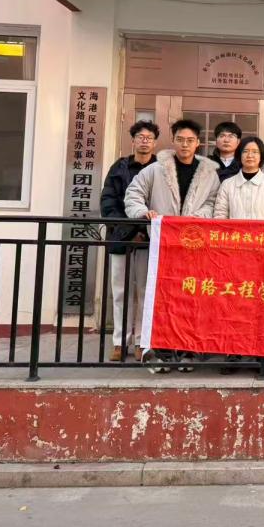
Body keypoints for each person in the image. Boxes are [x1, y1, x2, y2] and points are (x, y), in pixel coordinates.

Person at [124, 118, 221, 374]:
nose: (185, 145)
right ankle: (162, 352)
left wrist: (198, 217)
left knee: (190, 298)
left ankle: (187, 351)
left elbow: (214, 202)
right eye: (180, 139)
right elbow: (133, 193)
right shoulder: (156, 169)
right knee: (162, 300)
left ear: (198, 143)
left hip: (193, 246)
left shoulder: (209, 174)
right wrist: (143, 212)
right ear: (173, 141)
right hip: (163, 246)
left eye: (190, 140)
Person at [214, 136, 264, 374]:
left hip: (263, 255)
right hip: (234, 255)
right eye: (246, 151)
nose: (250, 155)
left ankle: (261, 353)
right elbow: (219, 217)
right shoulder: (228, 185)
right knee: (233, 304)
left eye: (255, 152)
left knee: (261, 304)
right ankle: (232, 352)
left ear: (261, 156)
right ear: (240, 155)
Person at [100, 120, 158, 363]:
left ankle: (142, 341)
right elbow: (108, 202)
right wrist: (128, 229)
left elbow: (160, 203)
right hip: (120, 238)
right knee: (120, 291)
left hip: (149, 239)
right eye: (140, 137)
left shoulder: (160, 169)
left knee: (146, 291)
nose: (144, 141)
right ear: (133, 140)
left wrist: (143, 230)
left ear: (155, 142)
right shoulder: (119, 167)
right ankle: (119, 341)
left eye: (149, 138)